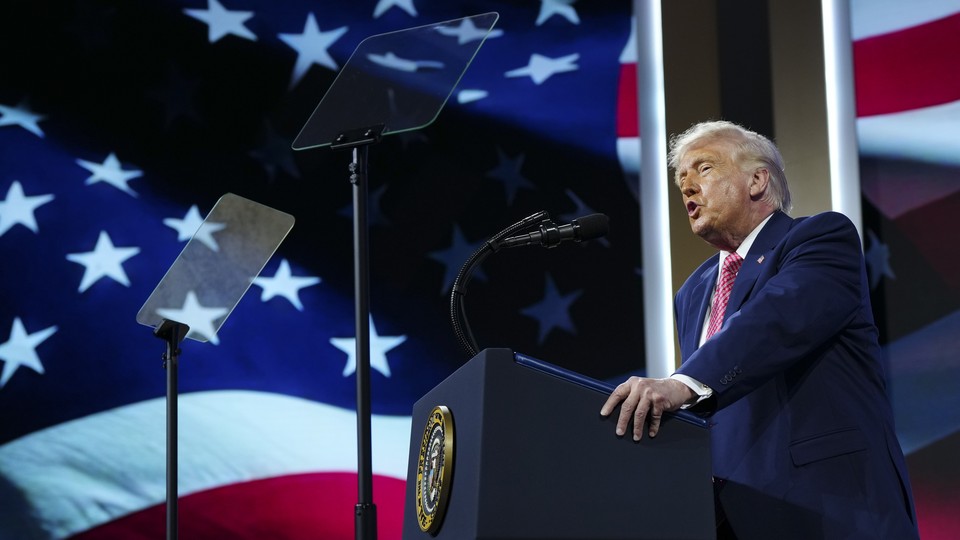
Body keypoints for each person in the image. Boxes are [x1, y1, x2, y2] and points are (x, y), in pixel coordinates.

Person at [600, 120, 919, 539]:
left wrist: (683, 383)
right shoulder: (692, 292)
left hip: (832, 505)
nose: (688, 188)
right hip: (732, 518)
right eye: (681, 179)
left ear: (757, 180)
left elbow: (776, 320)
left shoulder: (819, 238)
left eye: (704, 169)